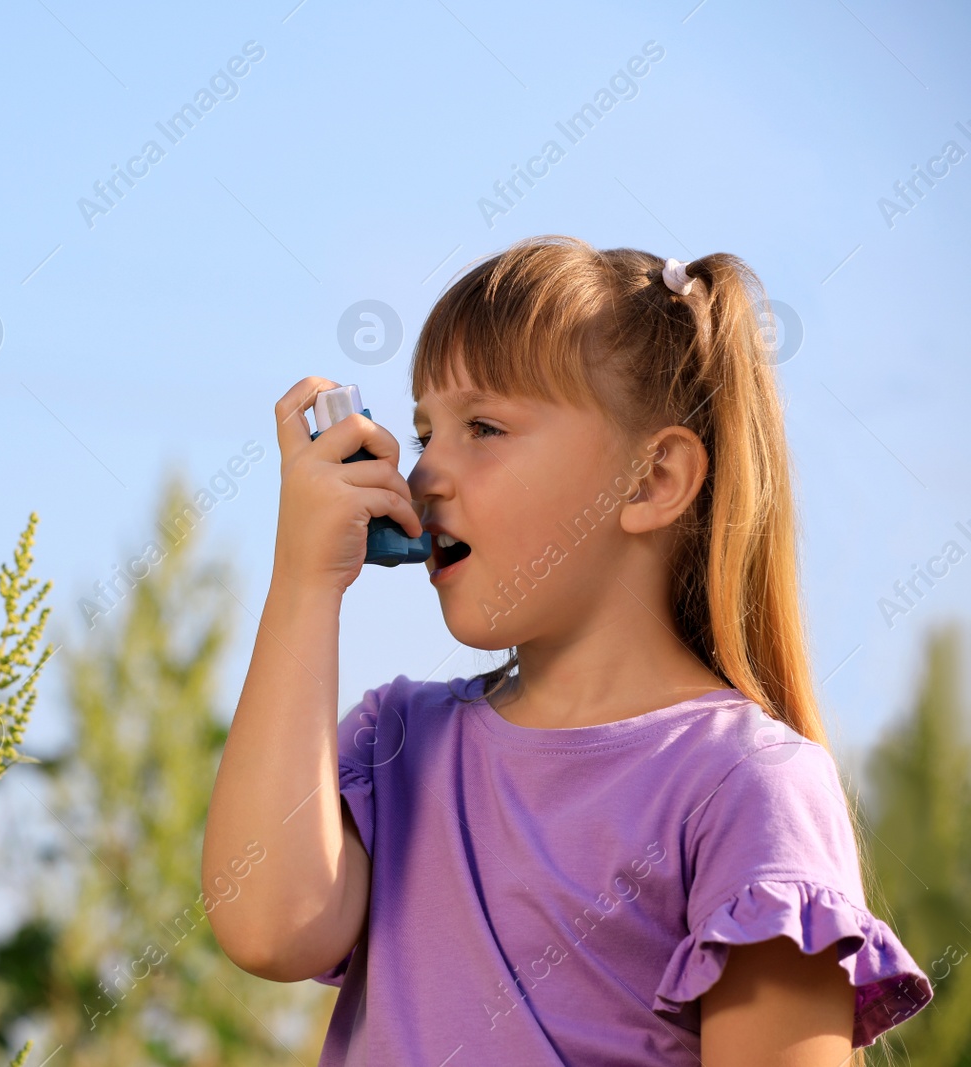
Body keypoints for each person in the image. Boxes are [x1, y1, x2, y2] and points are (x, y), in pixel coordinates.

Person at [202, 236, 933, 1065]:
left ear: (653, 480)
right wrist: (303, 587)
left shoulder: (746, 785)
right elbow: (267, 926)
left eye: (483, 426)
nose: (427, 473)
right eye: (423, 431)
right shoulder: (398, 743)